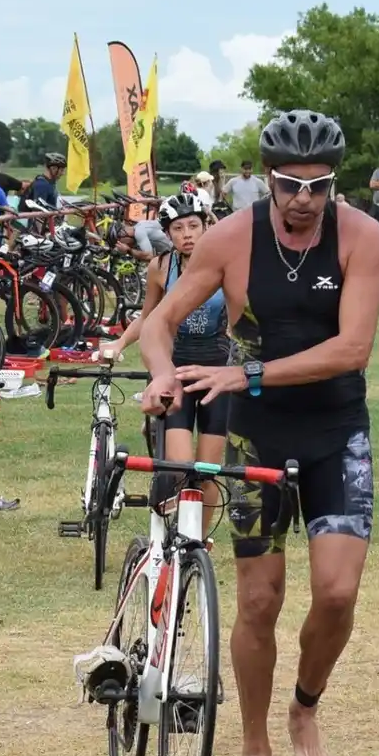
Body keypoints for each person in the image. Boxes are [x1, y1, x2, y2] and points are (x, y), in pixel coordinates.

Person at [136, 108, 379, 756]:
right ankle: (252, 743)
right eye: (288, 184)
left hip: (337, 427)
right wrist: (162, 373)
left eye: (319, 185)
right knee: (258, 600)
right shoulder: (230, 238)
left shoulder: (362, 235)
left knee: (336, 593)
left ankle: (305, 702)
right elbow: (161, 321)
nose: (303, 199)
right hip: (257, 434)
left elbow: (352, 349)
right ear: (266, 178)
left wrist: (240, 373)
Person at [102, 193, 230, 533]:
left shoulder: (226, 263)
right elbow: (149, 318)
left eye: (193, 225)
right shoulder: (161, 266)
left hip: (217, 373)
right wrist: (119, 341)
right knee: (181, 466)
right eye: (178, 228)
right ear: (167, 233)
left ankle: (197, 542)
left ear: (206, 226)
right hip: (175, 372)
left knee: (209, 469)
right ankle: (178, 532)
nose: (187, 233)